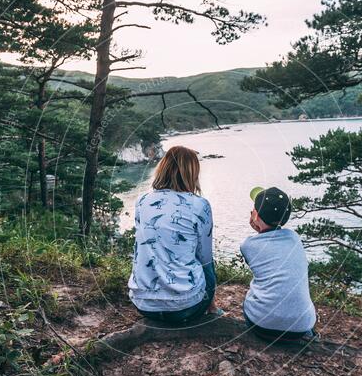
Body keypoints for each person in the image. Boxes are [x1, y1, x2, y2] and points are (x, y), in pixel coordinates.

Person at [128, 145, 218, 322]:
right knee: (207, 267)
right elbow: (206, 259)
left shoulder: (142, 201)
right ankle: (211, 308)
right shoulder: (200, 205)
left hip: (143, 305)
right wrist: (211, 301)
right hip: (186, 307)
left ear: (163, 168)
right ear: (192, 173)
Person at [240, 186, 317, 341]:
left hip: (264, 327)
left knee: (250, 295)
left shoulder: (247, 245)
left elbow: (263, 252)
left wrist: (257, 226)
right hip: (301, 328)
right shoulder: (294, 238)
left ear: (255, 215)